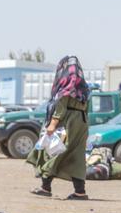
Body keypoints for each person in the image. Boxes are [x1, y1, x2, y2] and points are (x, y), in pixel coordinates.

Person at [27, 55, 90, 200]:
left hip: (67, 123)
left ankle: (45, 187)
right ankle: (80, 191)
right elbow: (87, 109)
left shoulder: (67, 84)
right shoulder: (83, 86)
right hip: (81, 123)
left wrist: (52, 124)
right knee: (77, 156)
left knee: (54, 153)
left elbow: (61, 107)